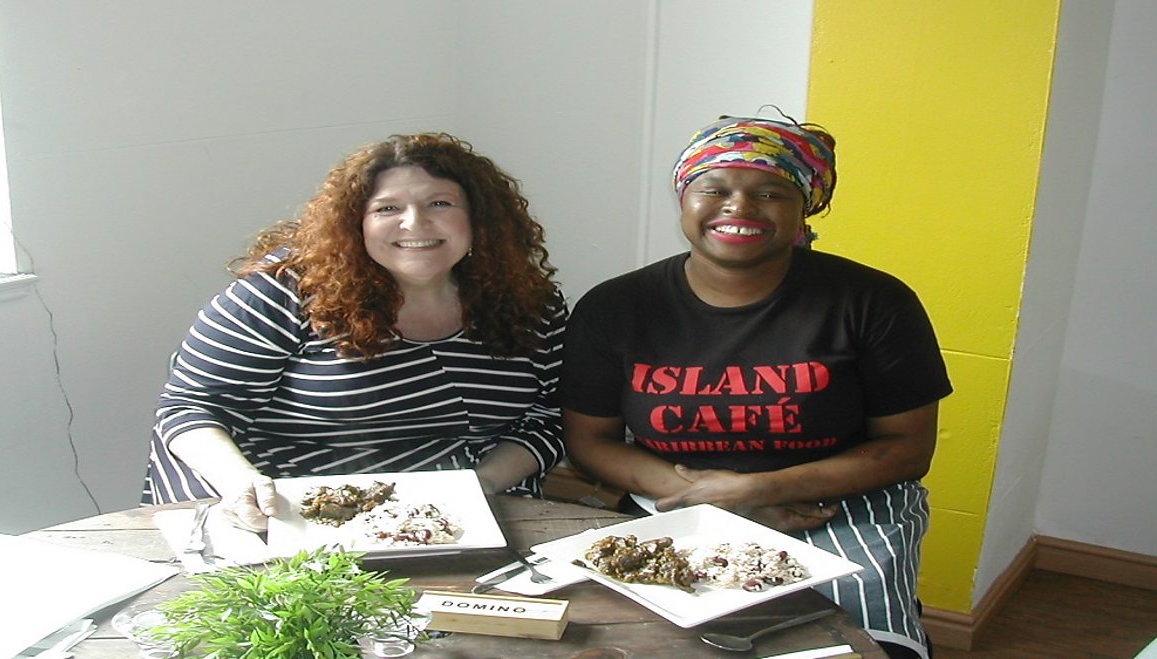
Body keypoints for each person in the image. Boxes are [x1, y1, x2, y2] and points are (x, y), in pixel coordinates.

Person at [560, 114, 952, 659]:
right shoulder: (615, 307)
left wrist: (759, 491)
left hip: (838, 507)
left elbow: (907, 448)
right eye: (714, 189)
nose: (739, 207)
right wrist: (712, 503)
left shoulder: (872, 302)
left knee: (850, 647)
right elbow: (590, 441)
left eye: (770, 193)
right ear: (684, 200)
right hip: (673, 499)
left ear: (802, 210)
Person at [143, 132, 566, 532]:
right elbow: (192, 406)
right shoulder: (285, 291)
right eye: (387, 209)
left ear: (480, 218)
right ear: (355, 223)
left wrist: (481, 485)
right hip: (288, 507)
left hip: (467, 510)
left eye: (440, 203)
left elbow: (548, 416)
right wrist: (240, 483)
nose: (414, 223)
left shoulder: (531, 302)